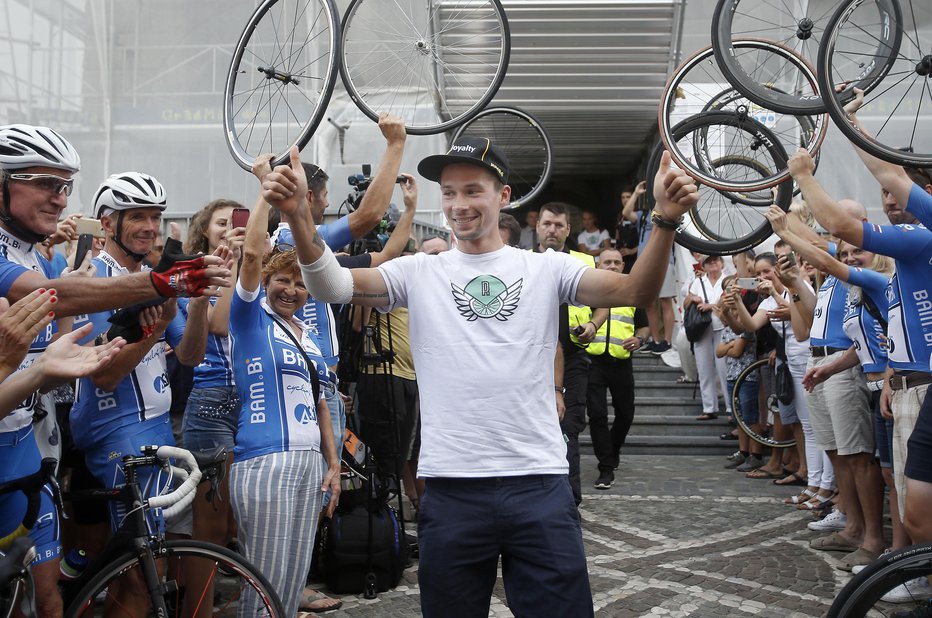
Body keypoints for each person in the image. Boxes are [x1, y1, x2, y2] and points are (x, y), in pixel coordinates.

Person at [263, 132, 699, 617]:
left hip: (538, 484)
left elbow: (637, 290)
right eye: (449, 192)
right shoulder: (417, 272)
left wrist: (664, 219)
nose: (459, 204)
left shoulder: (546, 268)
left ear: (503, 196)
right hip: (451, 489)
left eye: (473, 190)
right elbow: (329, 284)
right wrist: (300, 217)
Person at [0, 125, 228, 618]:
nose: (150, 227)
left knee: (90, 586)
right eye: (138, 217)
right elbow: (100, 374)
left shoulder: (28, 252)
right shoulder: (93, 278)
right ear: (108, 223)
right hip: (113, 433)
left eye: (155, 217)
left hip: (111, 434)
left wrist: (192, 306)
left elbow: (189, 356)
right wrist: (160, 299)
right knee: (139, 577)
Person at [229, 157, 341, 616]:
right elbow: (252, 255)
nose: (291, 290)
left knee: (291, 583)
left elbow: (321, 403)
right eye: (281, 281)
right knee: (266, 588)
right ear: (266, 283)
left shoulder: (307, 335)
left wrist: (333, 465)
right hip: (265, 462)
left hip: (310, 465)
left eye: (299, 283)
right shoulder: (250, 320)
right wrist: (265, 191)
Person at [767, 204, 886, 570]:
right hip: (820, 360)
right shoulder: (833, 271)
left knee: (856, 453)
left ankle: (871, 536)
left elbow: (815, 244)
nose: (833, 231)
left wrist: (791, 223)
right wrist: (796, 285)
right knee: (837, 450)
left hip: (842, 363)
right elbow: (811, 321)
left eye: (837, 223)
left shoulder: (853, 261)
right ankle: (852, 523)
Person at [533, 201, 607, 505]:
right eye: (547, 223)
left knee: (568, 426)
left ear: (568, 229)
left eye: (559, 225)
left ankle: (568, 501)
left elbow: (605, 302)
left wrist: (593, 323)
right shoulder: (521, 261)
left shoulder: (583, 261)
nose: (552, 230)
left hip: (574, 357)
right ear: (537, 226)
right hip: (532, 361)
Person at [584, 247, 649, 489]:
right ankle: (606, 467)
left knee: (626, 413)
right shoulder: (586, 293)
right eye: (607, 262)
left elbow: (644, 327)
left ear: (623, 266)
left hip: (621, 362)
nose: (612, 266)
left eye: (616, 262)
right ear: (598, 266)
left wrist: (640, 340)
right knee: (597, 414)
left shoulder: (631, 294)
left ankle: (612, 450)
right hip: (594, 362)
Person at [684, 255, 729, 421]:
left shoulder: (727, 280)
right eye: (709, 262)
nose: (713, 264)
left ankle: (731, 407)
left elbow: (727, 301)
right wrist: (692, 298)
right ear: (704, 266)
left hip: (722, 326)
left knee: (724, 368)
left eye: (715, 261)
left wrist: (709, 306)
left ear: (722, 263)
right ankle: (709, 407)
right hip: (702, 327)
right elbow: (686, 304)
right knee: (704, 368)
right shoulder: (698, 282)